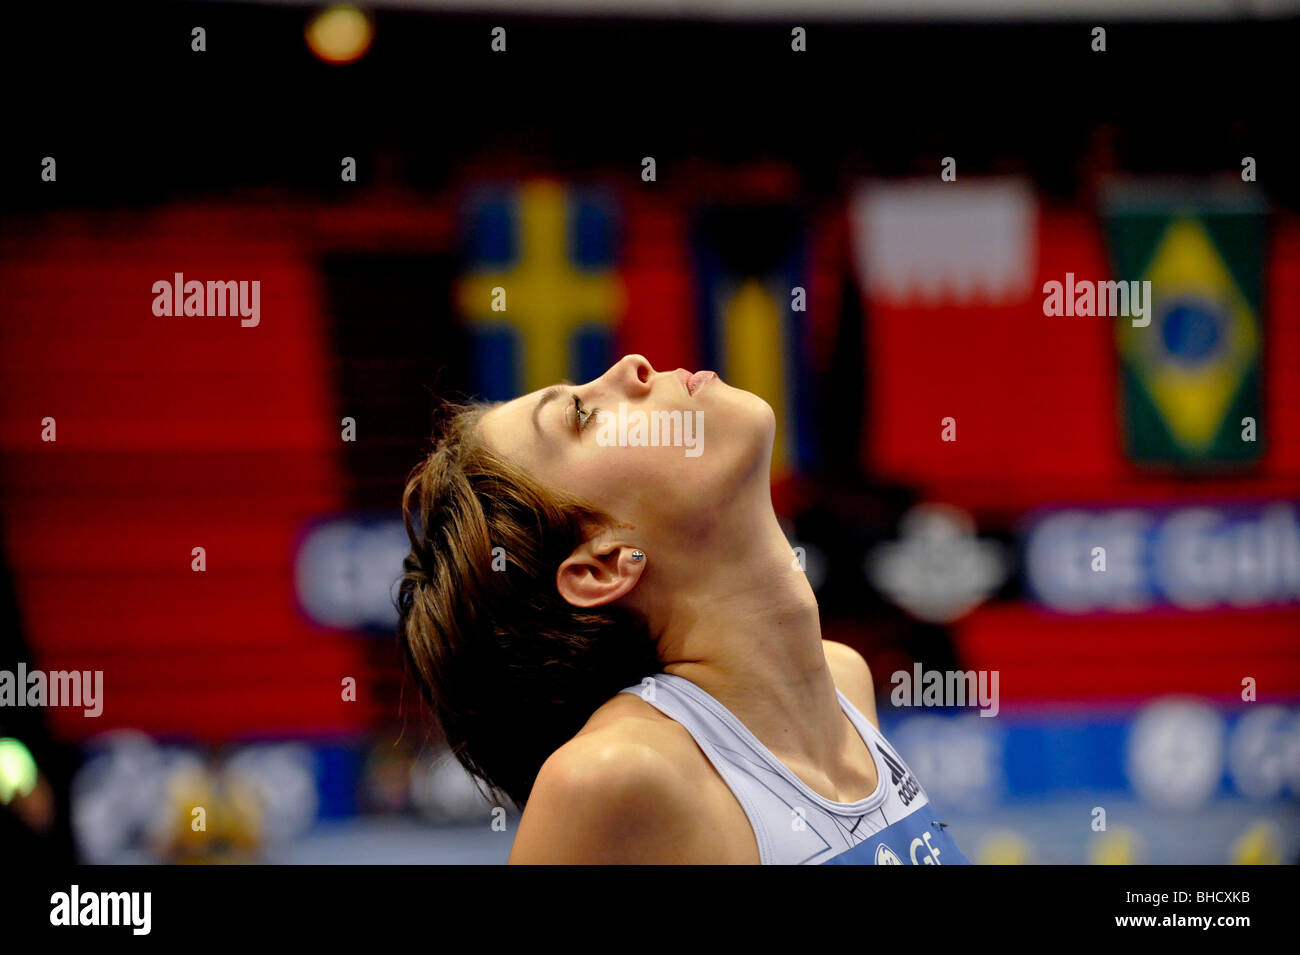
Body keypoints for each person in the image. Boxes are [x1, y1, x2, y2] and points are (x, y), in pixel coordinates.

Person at [398, 354, 969, 864]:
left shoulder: (844, 683)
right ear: (603, 565)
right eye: (581, 417)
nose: (632, 366)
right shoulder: (612, 777)